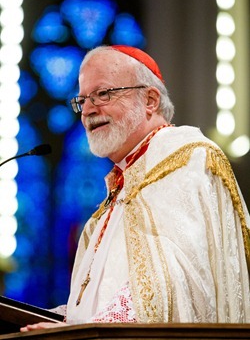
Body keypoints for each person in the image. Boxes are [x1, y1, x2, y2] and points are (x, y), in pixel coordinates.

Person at [21, 45, 250, 331]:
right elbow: (104, 299)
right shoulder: (119, 191)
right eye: (82, 100)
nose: (89, 110)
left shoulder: (187, 160)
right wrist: (53, 319)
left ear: (150, 100)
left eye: (103, 94)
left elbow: (180, 283)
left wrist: (83, 329)